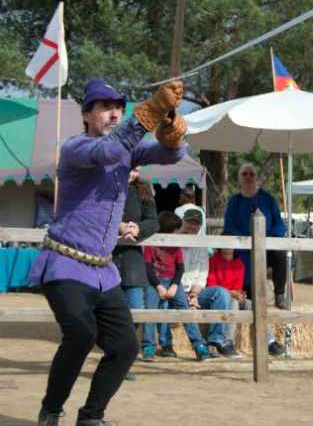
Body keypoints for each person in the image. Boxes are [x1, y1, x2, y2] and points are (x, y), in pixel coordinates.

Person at [30, 78, 187, 426]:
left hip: (103, 272)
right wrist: (149, 112)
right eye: (104, 107)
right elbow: (110, 152)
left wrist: (172, 129)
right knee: (81, 334)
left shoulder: (128, 148)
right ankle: (51, 410)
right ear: (87, 114)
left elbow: (171, 154)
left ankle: (91, 417)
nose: (114, 113)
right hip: (65, 265)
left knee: (125, 347)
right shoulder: (75, 148)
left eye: (119, 106)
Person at [158, 208, 233, 357]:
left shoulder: (201, 245)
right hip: (174, 288)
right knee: (164, 303)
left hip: (193, 290)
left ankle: (215, 340)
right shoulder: (173, 240)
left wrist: (194, 294)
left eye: (196, 224)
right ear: (183, 222)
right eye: (189, 222)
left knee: (221, 293)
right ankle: (166, 344)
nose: (193, 226)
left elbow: (202, 275)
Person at [112, 166, 159, 380]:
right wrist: (119, 227)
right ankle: (115, 361)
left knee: (136, 312)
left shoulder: (143, 189)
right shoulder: (105, 184)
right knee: (107, 313)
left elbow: (153, 221)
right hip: (106, 259)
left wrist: (136, 229)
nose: (134, 172)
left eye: (137, 168)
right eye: (131, 167)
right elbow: (94, 216)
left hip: (132, 261)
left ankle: (121, 362)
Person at [206, 234, 285, 357]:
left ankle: (269, 341)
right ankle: (226, 342)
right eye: (224, 243)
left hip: (235, 297)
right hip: (219, 299)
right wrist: (232, 293)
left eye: (231, 243)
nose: (228, 247)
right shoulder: (212, 261)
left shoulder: (239, 264)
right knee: (233, 302)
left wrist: (238, 294)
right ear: (219, 245)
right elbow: (211, 285)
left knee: (254, 305)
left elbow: (238, 287)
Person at [224, 162, 288, 309]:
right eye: (244, 174)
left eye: (251, 174)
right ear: (239, 179)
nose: (248, 177)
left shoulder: (268, 199)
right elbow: (230, 227)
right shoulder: (234, 202)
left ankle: (279, 294)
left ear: (257, 178)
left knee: (280, 254)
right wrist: (247, 242)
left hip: (267, 246)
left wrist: (266, 241)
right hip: (243, 248)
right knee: (252, 302)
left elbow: (279, 224)